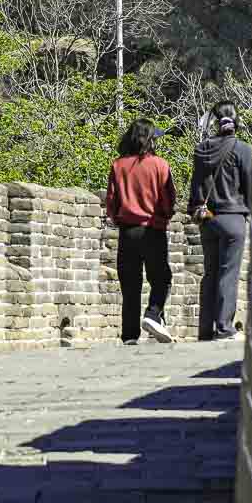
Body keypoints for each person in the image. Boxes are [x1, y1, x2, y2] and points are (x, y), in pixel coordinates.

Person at [105, 121, 177, 344]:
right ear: (150, 139)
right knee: (161, 279)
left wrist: (118, 217)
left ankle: (129, 336)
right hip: (153, 230)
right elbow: (168, 199)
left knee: (130, 285)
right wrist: (164, 215)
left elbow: (111, 200)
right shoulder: (160, 165)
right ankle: (153, 314)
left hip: (127, 232)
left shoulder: (118, 165)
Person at [188, 101, 252, 340]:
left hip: (208, 218)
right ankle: (224, 328)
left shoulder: (201, 149)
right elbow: (250, 186)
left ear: (214, 122)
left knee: (210, 273)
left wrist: (194, 210)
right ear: (236, 120)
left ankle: (205, 330)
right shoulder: (242, 149)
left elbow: (195, 185)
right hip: (233, 218)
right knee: (228, 274)